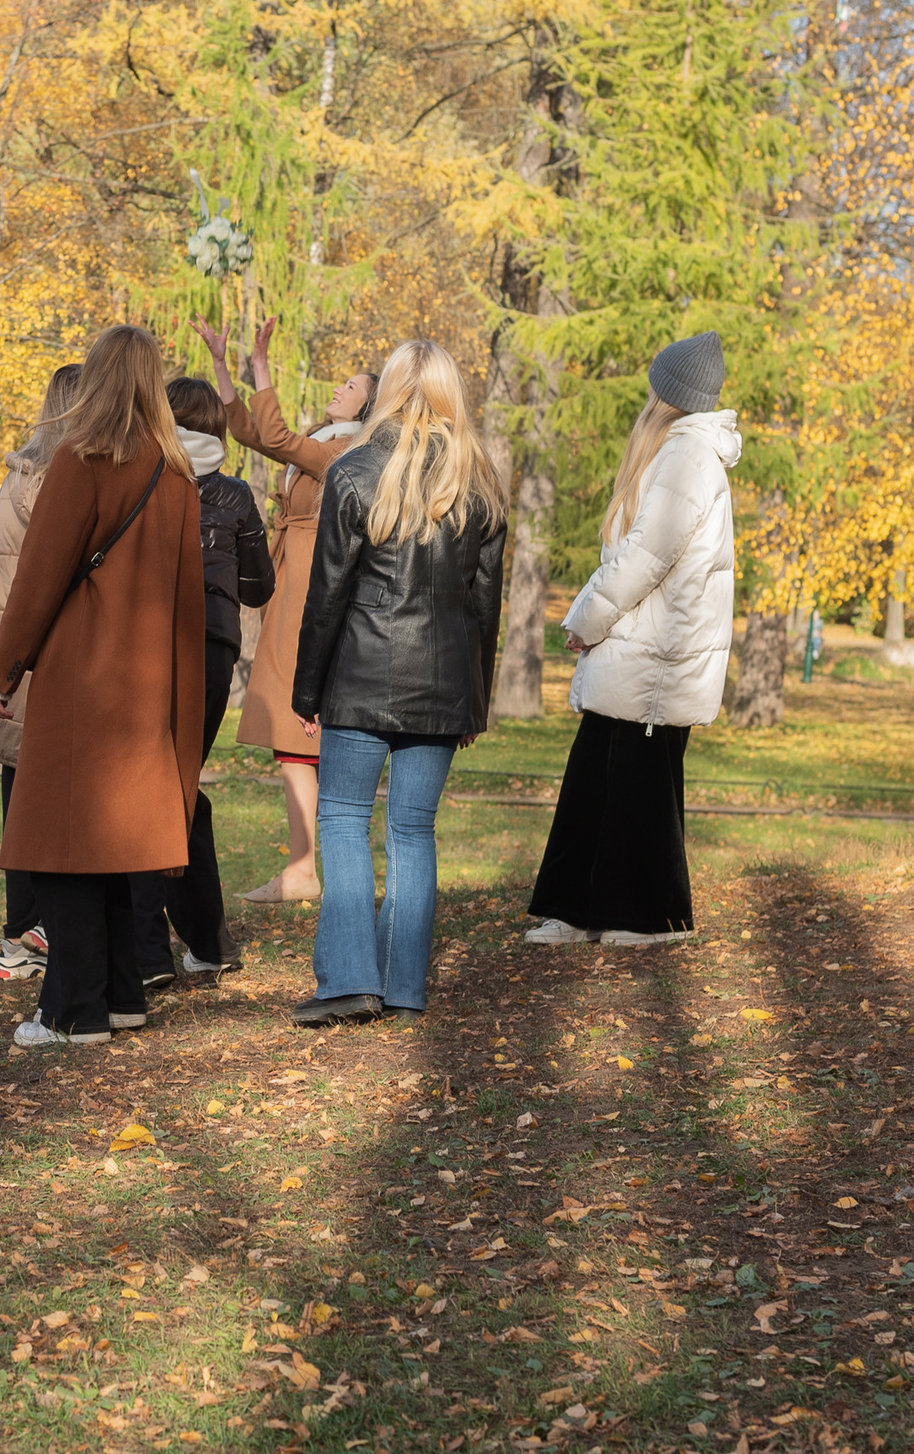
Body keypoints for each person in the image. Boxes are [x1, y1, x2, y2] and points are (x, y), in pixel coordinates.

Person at [0, 324, 206, 1048]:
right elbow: (187, 605)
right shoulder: (175, 474)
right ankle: (120, 996)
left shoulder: (81, 460)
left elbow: (40, 578)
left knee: (60, 845)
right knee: (108, 846)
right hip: (146, 684)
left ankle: (72, 1010)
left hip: (81, 678)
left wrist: (2, 671)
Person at [288, 340, 507, 1025]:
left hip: (358, 674)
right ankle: (403, 986)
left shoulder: (354, 471)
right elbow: (484, 605)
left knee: (345, 818)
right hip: (442, 684)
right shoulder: (479, 482)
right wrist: (477, 696)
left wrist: (305, 692)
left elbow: (327, 594)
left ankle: (351, 980)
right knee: (413, 829)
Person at [525, 331, 739, 949]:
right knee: (598, 778)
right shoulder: (682, 454)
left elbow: (645, 558)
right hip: (641, 649)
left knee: (637, 787)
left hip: (655, 657)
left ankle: (645, 917)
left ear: (667, 393)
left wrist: (583, 619)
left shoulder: (686, 458)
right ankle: (579, 911)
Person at [205, 319, 376, 903]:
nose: (339, 388)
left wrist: (261, 366)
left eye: (351, 385)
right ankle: (302, 868)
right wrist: (225, 365)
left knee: (303, 722)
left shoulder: (352, 450)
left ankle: (309, 868)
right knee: (293, 729)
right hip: (294, 577)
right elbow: (254, 432)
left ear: (371, 403)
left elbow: (273, 438)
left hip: (311, 582)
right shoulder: (324, 438)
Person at [128, 376, 271, 986]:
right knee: (178, 791)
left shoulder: (148, 478)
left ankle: (149, 952)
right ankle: (207, 941)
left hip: (153, 643)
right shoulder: (235, 495)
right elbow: (258, 587)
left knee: (151, 792)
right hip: (213, 646)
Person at [0, 364, 81, 982]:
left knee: (18, 788)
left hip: (5, 648)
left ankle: (20, 929)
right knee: (55, 795)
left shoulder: (13, 476)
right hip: (44, 650)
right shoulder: (62, 481)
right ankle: (45, 926)